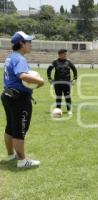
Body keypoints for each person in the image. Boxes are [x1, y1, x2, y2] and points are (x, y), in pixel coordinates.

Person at [1, 31, 44, 168]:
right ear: (21, 43)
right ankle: (22, 161)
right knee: (19, 129)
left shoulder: (11, 57)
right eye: (29, 42)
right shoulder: (19, 58)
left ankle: (11, 155)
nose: (31, 44)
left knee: (10, 127)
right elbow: (23, 76)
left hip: (8, 95)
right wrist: (40, 81)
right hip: (18, 99)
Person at [47, 49, 77, 115]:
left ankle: (69, 110)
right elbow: (49, 70)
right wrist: (49, 78)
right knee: (58, 97)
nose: (66, 55)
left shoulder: (69, 62)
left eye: (66, 54)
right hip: (57, 83)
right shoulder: (55, 62)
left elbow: (74, 70)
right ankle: (58, 110)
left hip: (67, 83)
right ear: (60, 54)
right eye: (65, 54)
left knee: (67, 97)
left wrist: (74, 78)